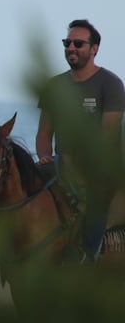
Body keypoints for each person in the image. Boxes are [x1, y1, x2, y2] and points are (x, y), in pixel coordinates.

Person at [36, 19, 125, 262]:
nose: (71, 48)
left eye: (78, 43)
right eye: (67, 43)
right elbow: (44, 133)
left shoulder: (111, 84)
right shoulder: (55, 86)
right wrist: (43, 155)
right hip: (60, 163)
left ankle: (89, 253)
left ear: (94, 48)